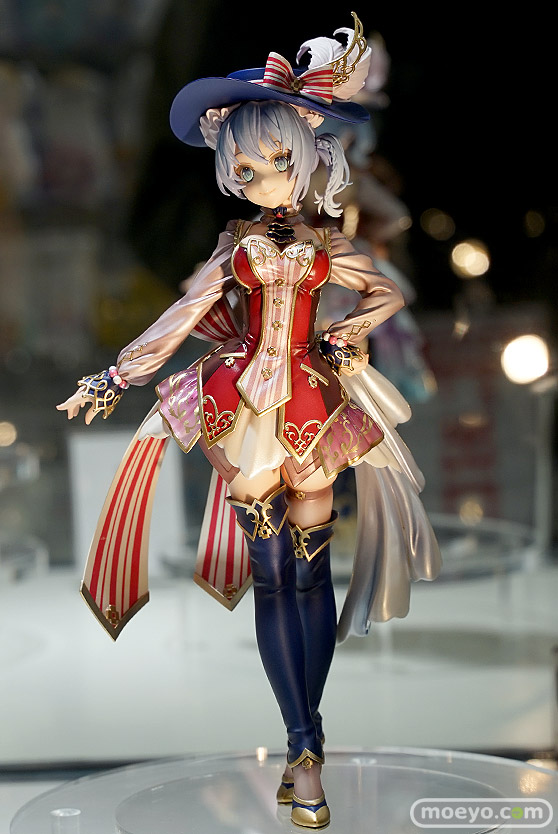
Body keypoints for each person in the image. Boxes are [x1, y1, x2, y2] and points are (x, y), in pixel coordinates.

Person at [57, 14, 441, 829]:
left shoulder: (323, 240)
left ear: (307, 155)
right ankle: (304, 749)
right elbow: (180, 315)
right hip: (243, 413)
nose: (263, 178)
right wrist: (116, 375)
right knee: (274, 579)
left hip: (313, 408)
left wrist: (348, 332)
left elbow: (387, 291)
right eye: (246, 166)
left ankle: (309, 744)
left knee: (311, 575)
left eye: (277, 162)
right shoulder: (236, 244)